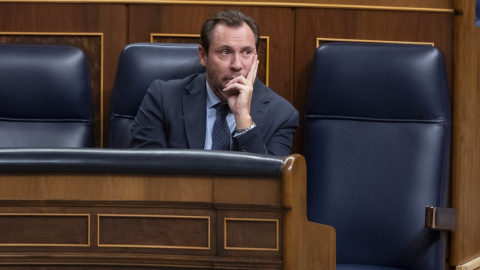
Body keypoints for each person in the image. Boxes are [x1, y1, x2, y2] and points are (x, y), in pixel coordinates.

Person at [131, 10, 298, 156]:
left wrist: (243, 119)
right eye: (225, 52)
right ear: (203, 55)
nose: (237, 65)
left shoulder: (281, 115)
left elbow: (271, 185)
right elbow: (145, 173)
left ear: (256, 57)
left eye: (246, 52)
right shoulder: (162, 98)